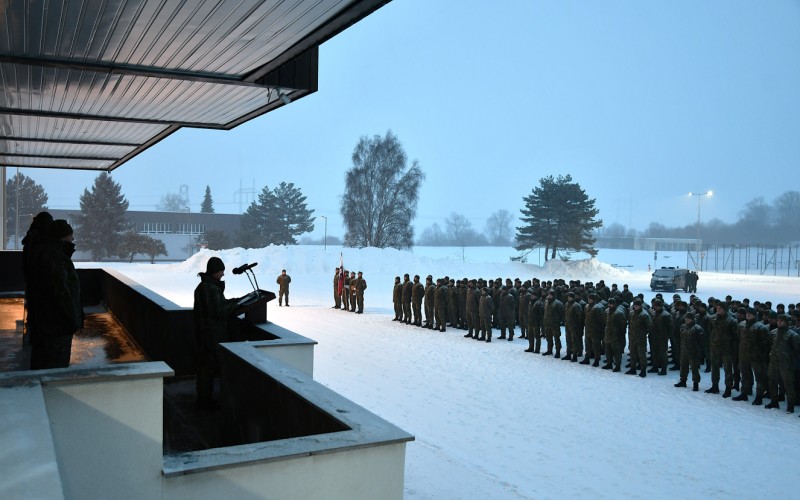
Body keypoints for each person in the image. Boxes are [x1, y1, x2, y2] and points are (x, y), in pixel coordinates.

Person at [30, 219, 83, 370]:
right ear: (62, 236)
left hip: (50, 325)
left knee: (47, 366)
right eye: (70, 235)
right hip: (57, 327)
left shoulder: (47, 253)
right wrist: (72, 320)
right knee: (55, 370)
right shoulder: (54, 258)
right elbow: (61, 293)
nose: (72, 239)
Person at [194, 257, 240, 410]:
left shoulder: (204, 286)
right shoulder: (211, 289)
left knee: (204, 369)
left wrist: (231, 301)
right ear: (215, 271)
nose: (223, 274)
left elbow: (214, 307)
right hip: (213, 336)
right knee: (209, 370)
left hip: (204, 335)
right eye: (221, 271)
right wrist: (235, 304)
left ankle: (203, 399)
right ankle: (205, 402)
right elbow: (219, 312)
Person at [21, 211, 53, 348]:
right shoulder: (41, 238)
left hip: (31, 276)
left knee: (33, 302)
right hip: (39, 277)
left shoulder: (31, 237)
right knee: (39, 304)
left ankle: (32, 326)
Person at [764, 314, 800, 413]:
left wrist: (790, 361)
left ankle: (790, 405)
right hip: (774, 362)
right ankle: (774, 401)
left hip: (786, 364)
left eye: (782, 321)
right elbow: (770, 345)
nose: (779, 322)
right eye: (778, 320)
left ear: (787, 322)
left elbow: (797, 351)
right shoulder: (773, 332)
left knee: (788, 385)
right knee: (772, 382)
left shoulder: (793, 335)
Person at [674, 312, 704, 391]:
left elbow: (701, 340)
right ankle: (683, 381)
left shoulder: (697, 328)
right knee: (683, 367)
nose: (687, 320)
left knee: (694, 368)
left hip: (693, 351)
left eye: (688, 318)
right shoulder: (683, 326)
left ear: (692, 319)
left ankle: (695, 383)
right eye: (686, 318)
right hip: (684, 350)